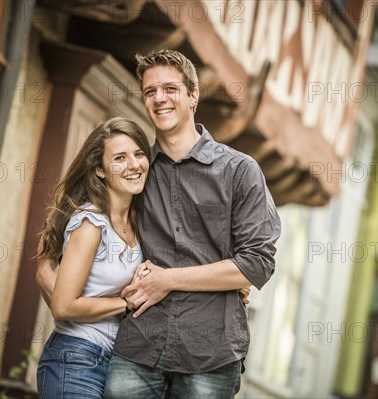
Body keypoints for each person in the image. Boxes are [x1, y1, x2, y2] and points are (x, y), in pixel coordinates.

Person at [102, 49, 282, 398]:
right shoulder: (137, 172)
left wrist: (167, 279)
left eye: (170, 88)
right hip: (140, 344)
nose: (159, 98)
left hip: (210, 353)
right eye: (150, 91)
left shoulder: (239, 171)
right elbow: (88, 223)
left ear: (194, 95)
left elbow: (257, 263)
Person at [33, 117, 151, 399]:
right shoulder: (92, 223)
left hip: (116, 363)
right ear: (99, 170)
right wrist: (124, 302)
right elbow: (63, 306)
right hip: (75, 358)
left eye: (139, 154)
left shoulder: (139, 221)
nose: (133, 165)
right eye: (119, 158)